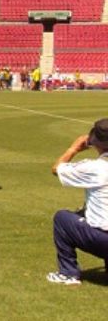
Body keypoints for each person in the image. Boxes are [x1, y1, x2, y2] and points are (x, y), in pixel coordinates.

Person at [47, 119, 108, 285]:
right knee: (85, 213)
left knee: (62, 218)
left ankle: (68, 273)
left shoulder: (95, 168)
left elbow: (57, 169)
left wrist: (73, 149)